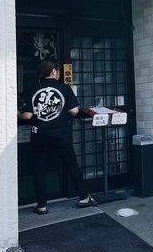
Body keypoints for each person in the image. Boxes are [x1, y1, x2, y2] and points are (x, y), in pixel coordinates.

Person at [18, 58, 96, 214]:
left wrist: (18, 114)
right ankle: (83, 198)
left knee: (40, 169)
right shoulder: (64, 88)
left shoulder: (34, 89)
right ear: (54, 71)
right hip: (61, 135)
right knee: (72, 165)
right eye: (58, 70)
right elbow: (74, 111)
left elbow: (27, 116)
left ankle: (41, 206)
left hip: (40, 135)